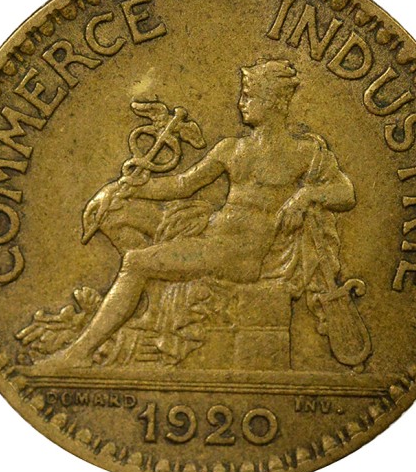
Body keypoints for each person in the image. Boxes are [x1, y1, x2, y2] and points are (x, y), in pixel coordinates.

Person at [53, 60, 356, 366]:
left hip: (239, 255)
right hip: (208, 233)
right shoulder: (230, 149)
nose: (241, 103)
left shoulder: (305, 153)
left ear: (275, 102)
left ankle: (80, 353)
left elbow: (345, 193)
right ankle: (148, 307)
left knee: (136, 262)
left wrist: (305, 196)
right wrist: (128, 188)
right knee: (117, 212)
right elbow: (183, 185)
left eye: (249, 96)